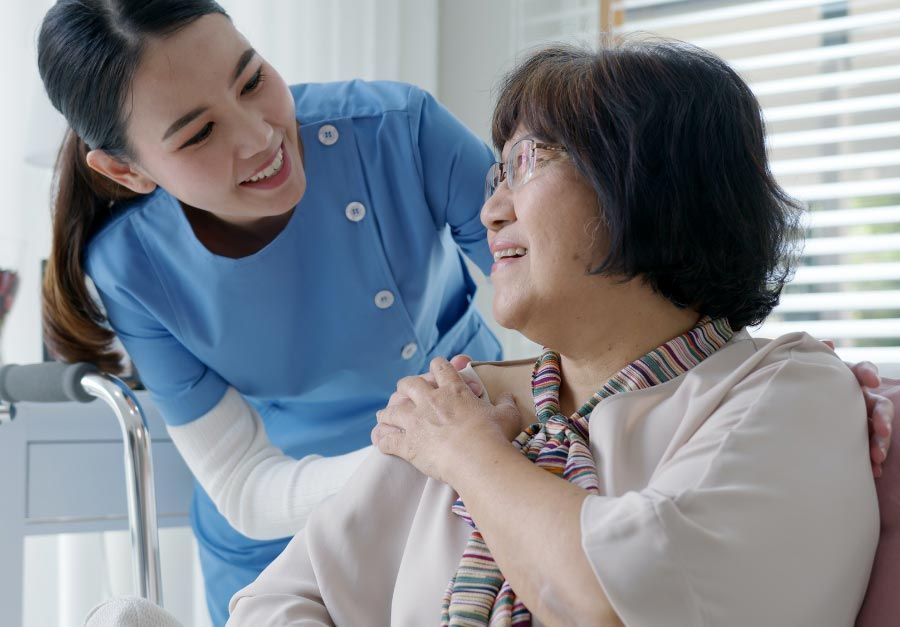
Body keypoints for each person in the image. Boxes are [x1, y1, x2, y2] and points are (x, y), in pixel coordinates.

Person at [228, 41, 882, 626]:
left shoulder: (791, 391)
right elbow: (272, 602)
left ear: (653, 182)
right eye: (497, 176)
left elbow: (611, 601)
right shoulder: (461, 401)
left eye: (527, 162)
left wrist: (469, 457)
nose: (490, 210)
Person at [37, 2, 501, 624]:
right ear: (126, 170)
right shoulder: (132, 266)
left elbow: (568, 294)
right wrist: (427, 453)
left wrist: (480, 448)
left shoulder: (397, 131)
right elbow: (242, 482)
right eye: (199, 134)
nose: (260, 138)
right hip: (285, 527)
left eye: (252, 80)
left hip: (474, 460)